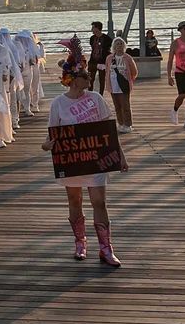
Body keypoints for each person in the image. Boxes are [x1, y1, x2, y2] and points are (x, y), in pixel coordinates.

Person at [44, 37, 128, 266]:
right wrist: (47, 145)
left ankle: (106, 248)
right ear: (73, 79)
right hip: (73, 161)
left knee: (99, 202)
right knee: (75, 200)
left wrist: (120, 156)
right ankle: (80, 243)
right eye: (85, 75)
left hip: (96, 159)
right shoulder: (58, 104)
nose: (90, 77)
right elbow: (50, 136)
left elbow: (109, 131)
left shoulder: (96, 99)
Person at [104, 36, 139, 133]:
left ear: (124, 46)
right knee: (117, 106)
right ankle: (120, 123)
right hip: (113, 85)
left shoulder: (127, 57)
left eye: (121, 44)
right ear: (114, 46)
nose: (119, 46)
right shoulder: (109, 58)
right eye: (117, 44)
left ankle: (128, 124)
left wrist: (129, 80)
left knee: (125, 106)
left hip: (124, 85)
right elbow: (107, 70)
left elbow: (134, 71)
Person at [87, 21, 113, 94]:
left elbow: (108, 50)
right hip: (92, 61)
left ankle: (101, 94)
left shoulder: (107, 39)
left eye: (93, 28)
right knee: (90, 79)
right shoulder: (92, 38)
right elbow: (93, 48)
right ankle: (90, 94)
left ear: (97, 28)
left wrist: (106, 62)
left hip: (102, 62)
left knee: (102, 79)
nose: (91, 29)